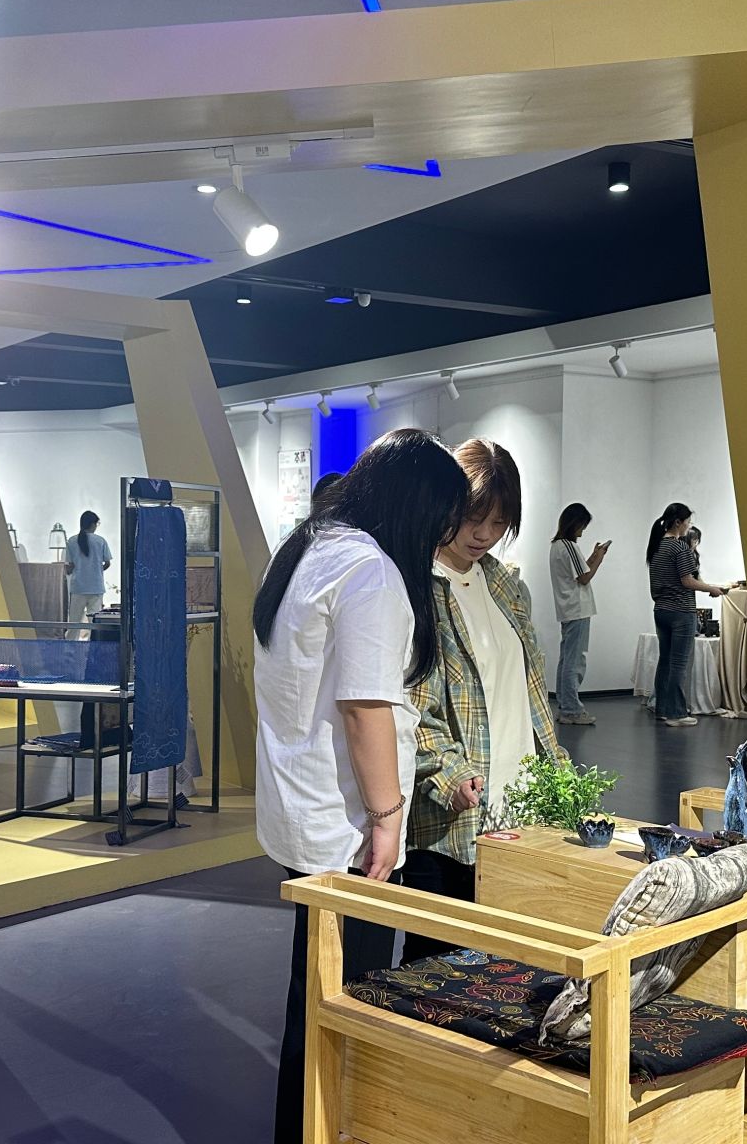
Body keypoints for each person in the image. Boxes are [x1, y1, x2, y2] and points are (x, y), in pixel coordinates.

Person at [254, 429, 470, 1144]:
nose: (443, 538)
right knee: (348, 1001)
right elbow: (366, 706)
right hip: (348, 829)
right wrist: (388, 816)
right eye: (442, 521)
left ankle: (304, 1128)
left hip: (304, 812)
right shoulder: (370, 570)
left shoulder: (307, 549)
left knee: (315, 993)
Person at [405, 439, 570, 962]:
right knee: (436, 968)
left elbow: (530, 690)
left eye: (499, 522)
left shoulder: (505, 585)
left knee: (511, 965)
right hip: (451, 820)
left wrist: (558, 772)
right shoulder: (417, 587)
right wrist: (448, 774)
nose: (484, 534)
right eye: (473, 518)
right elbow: (409, 706)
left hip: (518, 811)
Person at [646, 503, 731, 727]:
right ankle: (676, 713)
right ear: (678, 522)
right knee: (679, 664)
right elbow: (687, 581)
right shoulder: (680, 548)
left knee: (665, 661)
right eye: (688, 522)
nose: (689, 526)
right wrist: (711, 589)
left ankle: (662, 709)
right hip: (681, 611)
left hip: (661, 610)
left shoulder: (656, 546)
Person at [548, 503, 608, 726]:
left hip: (568, 609)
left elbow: (580, 570)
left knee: (567, 659)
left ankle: (565, 706)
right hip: (577, 609)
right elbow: (584, 578)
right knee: (575, 661)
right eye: (582, 525)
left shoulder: (557, 546)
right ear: (575, 524)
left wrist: (594, 555)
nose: (583, 530)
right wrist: (599, 558)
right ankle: (571, 709)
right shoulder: (569, 546)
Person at [64, 511, 112, 622]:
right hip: (96, 587)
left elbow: (70, 565)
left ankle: (72, 635)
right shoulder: (100, 541)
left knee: (74, 623)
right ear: (92, 524)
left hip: (78, 587)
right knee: (94, 623)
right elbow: (107, 563)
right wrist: (97, 570)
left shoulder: (72, 541)